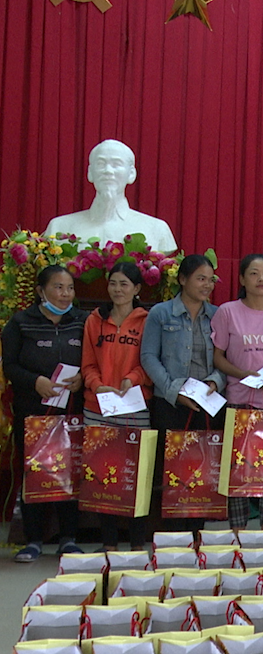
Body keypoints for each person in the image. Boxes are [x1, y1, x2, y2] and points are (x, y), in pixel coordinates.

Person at [2, 265, 88, 562]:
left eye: (70, 288)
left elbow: (93, 360)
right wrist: (35, 381)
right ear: (41, 290)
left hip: (72, 412)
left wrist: (83, 378)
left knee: (71, 471)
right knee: (34, 473)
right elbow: (9, 366)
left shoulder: (82, 321)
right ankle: (33, 540)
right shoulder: (21, 323)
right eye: (58, 287)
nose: (65, 294)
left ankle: (68, 538)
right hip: (33, 413)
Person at [141, 254, 227, 532]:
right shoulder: (160, 313)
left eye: (211, 280)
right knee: (172, 471)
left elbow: (227, 358)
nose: (207, 285)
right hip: (171, 403)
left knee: (203, 468)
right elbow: (148, 357)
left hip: (207, 402)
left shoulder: (218, 315)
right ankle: (173, 538)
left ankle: (197, 533)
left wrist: (215, 382)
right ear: (182, 279)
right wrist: (173, 390)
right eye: (200, 279)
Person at [211, 254, 263, 532]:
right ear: (242, 279)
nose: (261, 279)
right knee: (238, 470)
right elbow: (217, 357)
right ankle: (238, 534)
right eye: (254, 274)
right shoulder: (227, 312)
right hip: (239, 402)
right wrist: (243, 374)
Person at [81, 262, 151, 550]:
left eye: (124, 284)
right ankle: (108, 543)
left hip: (135, 405)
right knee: (103, 476)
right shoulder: (94, 320)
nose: (117, 289)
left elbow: (151, 361)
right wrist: (97, 385)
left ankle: (136, 545)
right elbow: (87, 364)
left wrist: (132, 378)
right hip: (98, 407)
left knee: (135, 475)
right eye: (113, 283)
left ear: (136, 289)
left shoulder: (148, 321)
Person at [44, 139, 177, 252]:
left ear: (131, 174)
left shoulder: (157, 229)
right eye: (101, 164)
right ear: (90, 173)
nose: (108, 171)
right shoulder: (58, 227)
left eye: (116, 164)